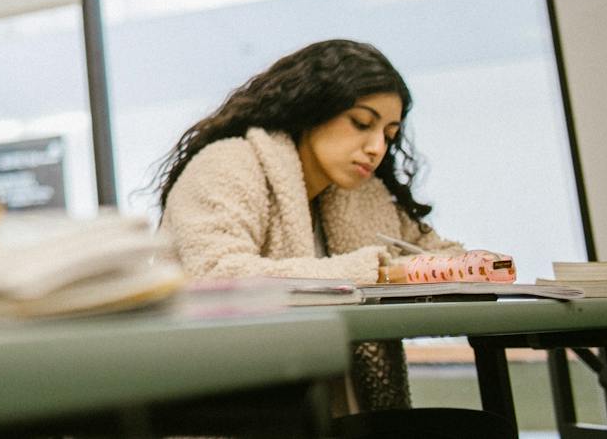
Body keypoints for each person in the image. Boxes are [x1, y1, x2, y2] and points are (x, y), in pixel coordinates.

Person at [155, 39, 511, 433]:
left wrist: (467, 264)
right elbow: (219, 275)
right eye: (361, 123)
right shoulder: (228, 164)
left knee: (482, 428)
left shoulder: (361, 193)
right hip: (234, 410)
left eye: (389, 135)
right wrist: (381, 272)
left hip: (329, 411)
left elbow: (433, 252)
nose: (376, 148)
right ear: (311, 108)